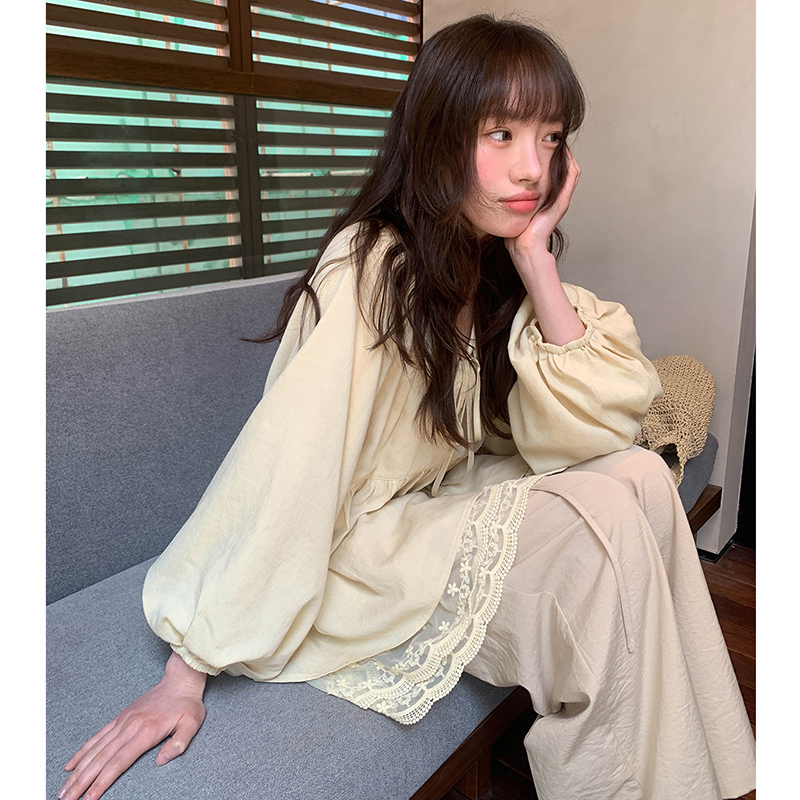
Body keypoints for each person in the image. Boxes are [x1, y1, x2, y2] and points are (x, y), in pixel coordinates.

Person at [59, 14, 756, 800]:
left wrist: (535, 261)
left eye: (552, 137)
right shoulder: (371, 264)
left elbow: (600, 430)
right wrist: (188, 668)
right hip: (355, 545)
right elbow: (292, 456)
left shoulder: (490, 260)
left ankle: (694, 779)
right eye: (500, 134)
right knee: (603, 522)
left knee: (637, 475)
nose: (533, 167)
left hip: (428, 510)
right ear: (438, 136)